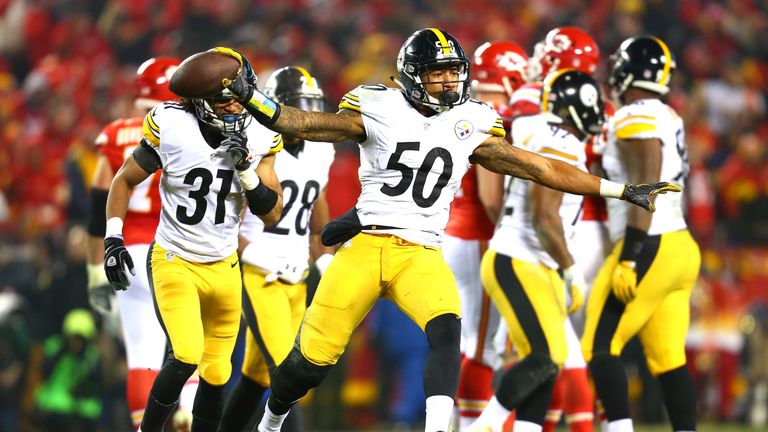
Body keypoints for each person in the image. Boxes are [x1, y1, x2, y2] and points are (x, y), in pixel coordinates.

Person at [219, 28, 679, 432]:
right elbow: (303, 122)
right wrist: (254, 98)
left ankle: (438, 428)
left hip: (421, 251)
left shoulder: (471, 119)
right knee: (306, 367)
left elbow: (539, 167)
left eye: (454, 71)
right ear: (413, 74)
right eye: (438, 72)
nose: (449, 80)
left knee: (446, 330)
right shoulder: (378, 105)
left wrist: (619, 190)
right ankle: (271, 420)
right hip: (365, 244)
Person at [102, 47, 283, 432]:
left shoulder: (261, 131)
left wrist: (247, 173)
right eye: (224, 100)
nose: (236, 108)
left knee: (218, 372)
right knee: (185, 354)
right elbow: (124, 179)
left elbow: (271, 213)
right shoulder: (173, 125)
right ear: (200, 103)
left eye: (241, 96)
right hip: (175, 260)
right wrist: (113, 239)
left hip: (224, 266)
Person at [466, 70, 605, 432]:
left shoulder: (536, 130)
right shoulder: (561, 142)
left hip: (530, 262)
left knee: (548, 361)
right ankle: (486, 424)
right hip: (520, 259)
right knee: (545, 359)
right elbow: (544, 217)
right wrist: (571, 269)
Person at [580, 35, 700, 432]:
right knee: (668, 358)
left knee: (599, 347)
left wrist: (630, 255)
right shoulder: (668, 113)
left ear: (627, 71)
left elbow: (646, 177)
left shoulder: (635, 114)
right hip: (679, 244)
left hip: (649, 243)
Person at [85, 56, 204, 431]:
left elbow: (96, 209)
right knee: (188, 349)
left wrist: (93, 270)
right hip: (179, 253)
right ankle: (185, 412)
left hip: (130, 254)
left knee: (142, 355)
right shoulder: (194, 132)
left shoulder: (118, 133)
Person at [218, 66, 335, 432]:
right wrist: (251, 253)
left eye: (310, 107)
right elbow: (222, 219)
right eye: (298, 107)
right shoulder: (256, 145)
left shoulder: (322, 150)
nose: (304, 118)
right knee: (289, 374)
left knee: (257, 377)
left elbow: (316, 209)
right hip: (259, 272)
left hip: (296, 276)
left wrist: (326, 261)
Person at [517, 26, 604, 432]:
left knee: (547, 349)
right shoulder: (597, 105)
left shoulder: (533, 100)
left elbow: (513, 174)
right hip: (593, 230)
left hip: (546, 234)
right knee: (568, 347)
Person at [442, 39, 528, 430]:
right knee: (481, 347)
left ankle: (460, 422)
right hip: (477, 235)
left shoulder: (462, 108)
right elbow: (491, 196)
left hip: (454, 233)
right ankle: (476, 424)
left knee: (468, 343)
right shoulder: (491, 116)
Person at [32, 309, 102, 432]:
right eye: (74, 338)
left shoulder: (91, 356)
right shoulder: (55, 348)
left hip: (80, 414)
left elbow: (97, 383)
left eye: (80, 339)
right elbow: (44, 372)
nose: (76, 343)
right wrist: (61, 354)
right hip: (52, 410)